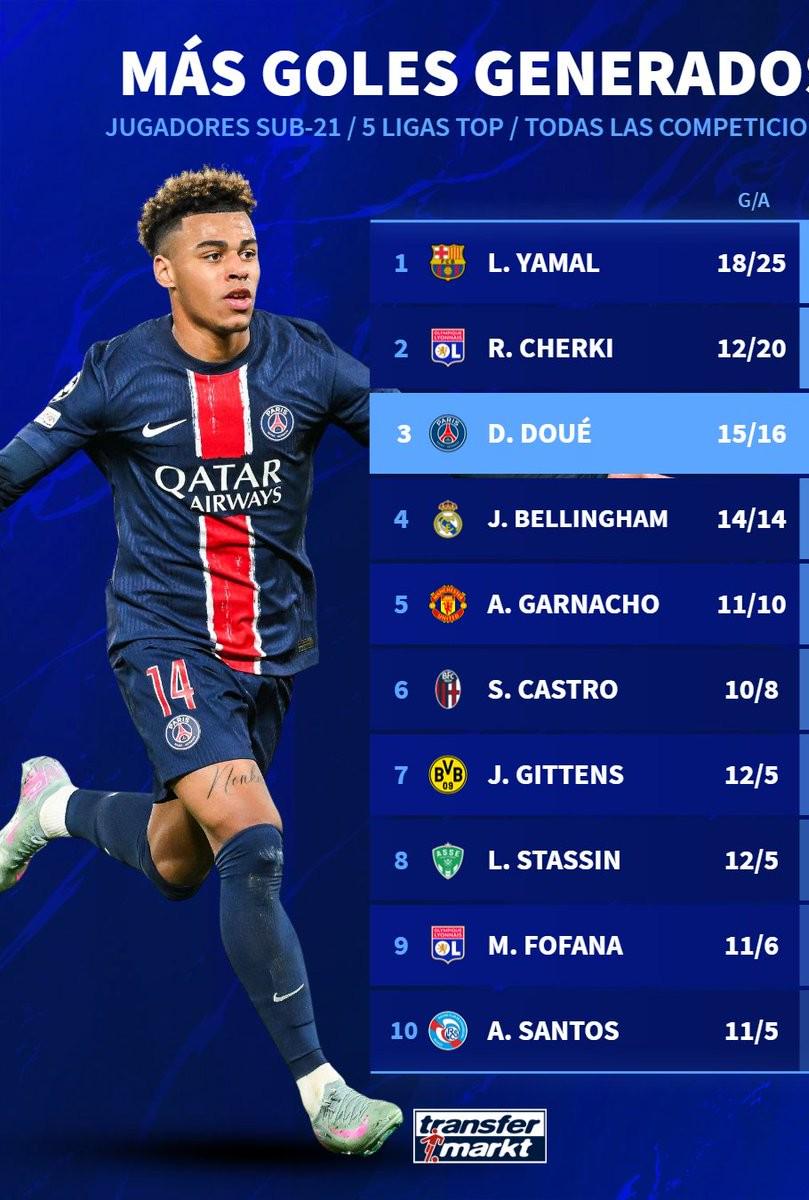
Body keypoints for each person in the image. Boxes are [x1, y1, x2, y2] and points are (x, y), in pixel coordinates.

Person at [0, 167, 402, 1157]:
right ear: (165, 271)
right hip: (164, 643)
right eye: (213, 255)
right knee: (254, 845)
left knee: (181, 863)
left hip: (269, 657)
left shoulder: (304, 359)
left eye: (248, 253)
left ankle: (52, 808)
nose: (238, 272)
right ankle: (325, 1093)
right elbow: (11, 470)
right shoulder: (117, 373)